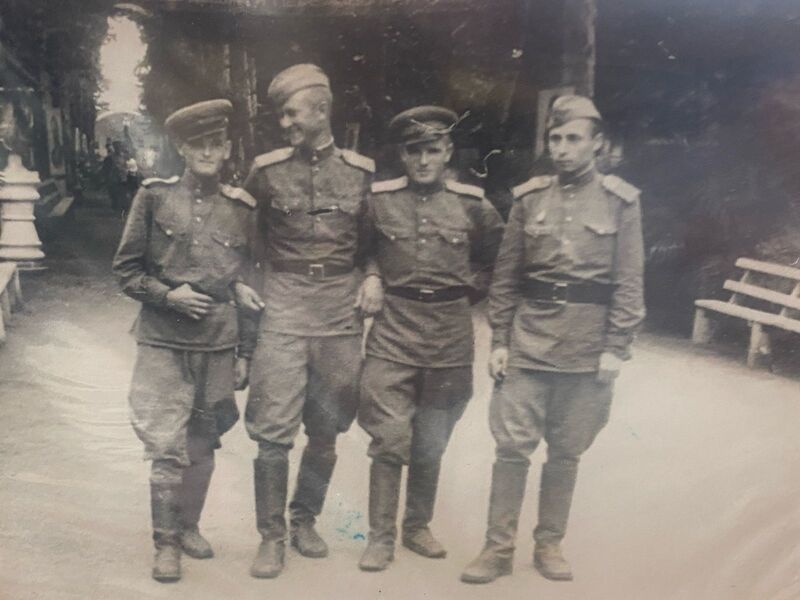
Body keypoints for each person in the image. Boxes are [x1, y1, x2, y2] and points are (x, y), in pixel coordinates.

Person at [461, 95, 645, 584]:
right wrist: (500, 340)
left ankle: (549, 544)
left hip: (587, 348)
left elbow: (629, 282)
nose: (562, 148)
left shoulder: (621, 202)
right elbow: (506, 277)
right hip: (529, 342)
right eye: (555, 139)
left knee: (566, 450)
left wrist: (616, 347)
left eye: (573, 139)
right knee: (511, 449)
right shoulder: (529, 199)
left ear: (597, 143)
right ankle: (498, 548)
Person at [240, 63, 383, 579]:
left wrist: (373, 276)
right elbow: (246, 242)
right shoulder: (266, 172)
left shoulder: (361, 174)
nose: (285, 124)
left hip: (339, 311)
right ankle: (271, 537)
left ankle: (304, 520)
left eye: (292, 113)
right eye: (281, 115)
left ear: (322, 111)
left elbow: (374, 243)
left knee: (326, 428)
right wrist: (246, 289)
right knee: (273, 431)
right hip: (283, 306)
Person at [112, 99, 259, 583]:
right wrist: (167, 296)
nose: (208, 153)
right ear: (182, 148)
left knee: (203, 443)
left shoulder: (241, 208)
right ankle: (166, 545)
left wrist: (245, 352)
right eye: (198, 145)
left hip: (217, 344)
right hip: (163, 340)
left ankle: (189, 526)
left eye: (216, 143)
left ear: (227, 148)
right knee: (165, 445)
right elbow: (125, 271)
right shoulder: (154, 197)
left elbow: (249, 284)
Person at [357, 105, 504, 572]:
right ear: (402, 154)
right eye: (414, 151)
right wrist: (373, 274)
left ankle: (417, 526)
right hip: (394, 330)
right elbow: (359, 249)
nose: (423, 160)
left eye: (432, 150)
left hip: (449, 335)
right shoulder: (378, 201)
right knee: (389, 437)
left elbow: (500, 261)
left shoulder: (473, 206)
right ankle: (380, 536)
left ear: (448, 152)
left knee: (431, 440)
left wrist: (467, 292)